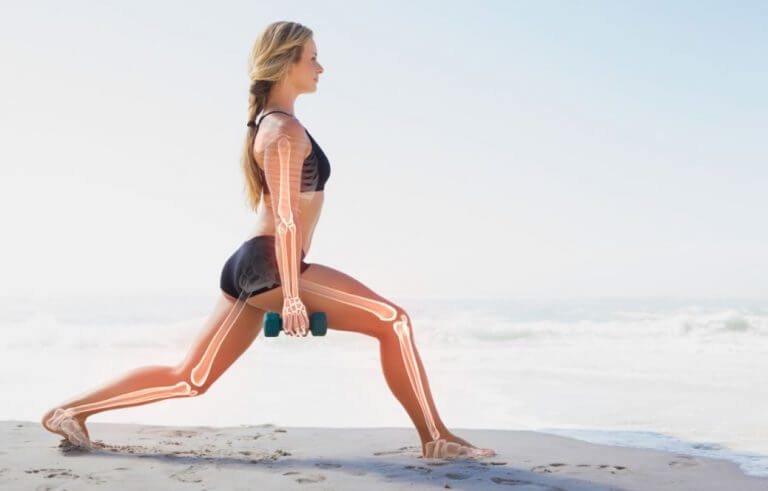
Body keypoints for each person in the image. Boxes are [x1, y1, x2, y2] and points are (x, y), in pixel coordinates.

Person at [41, 20, 496, 460]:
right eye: (313, 59)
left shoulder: (271, 124)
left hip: (251, 266)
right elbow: (285, 216)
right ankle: (436, 437)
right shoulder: (282, 131)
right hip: (272, 266)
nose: (321, 68)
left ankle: (70, 411)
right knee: (393, 322)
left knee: (192, 378)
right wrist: (293, 297)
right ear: (286, 64)